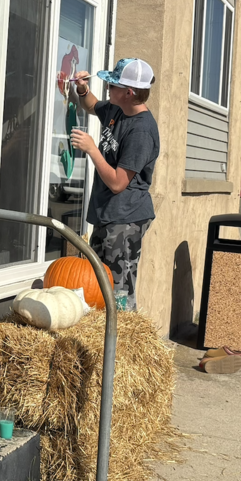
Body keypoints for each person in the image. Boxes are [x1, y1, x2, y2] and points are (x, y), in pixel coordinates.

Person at [69, 58, 160, 311]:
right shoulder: (118, 108)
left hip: (126, 220)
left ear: (129, 93)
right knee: (97, 283)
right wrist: (82, 89)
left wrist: (92, 149)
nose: (108, 87)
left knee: (119, 291)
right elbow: (91, 105)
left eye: (113, 84)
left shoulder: (141, 132)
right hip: (108, 215)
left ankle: (119, 346)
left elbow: (119, 184)